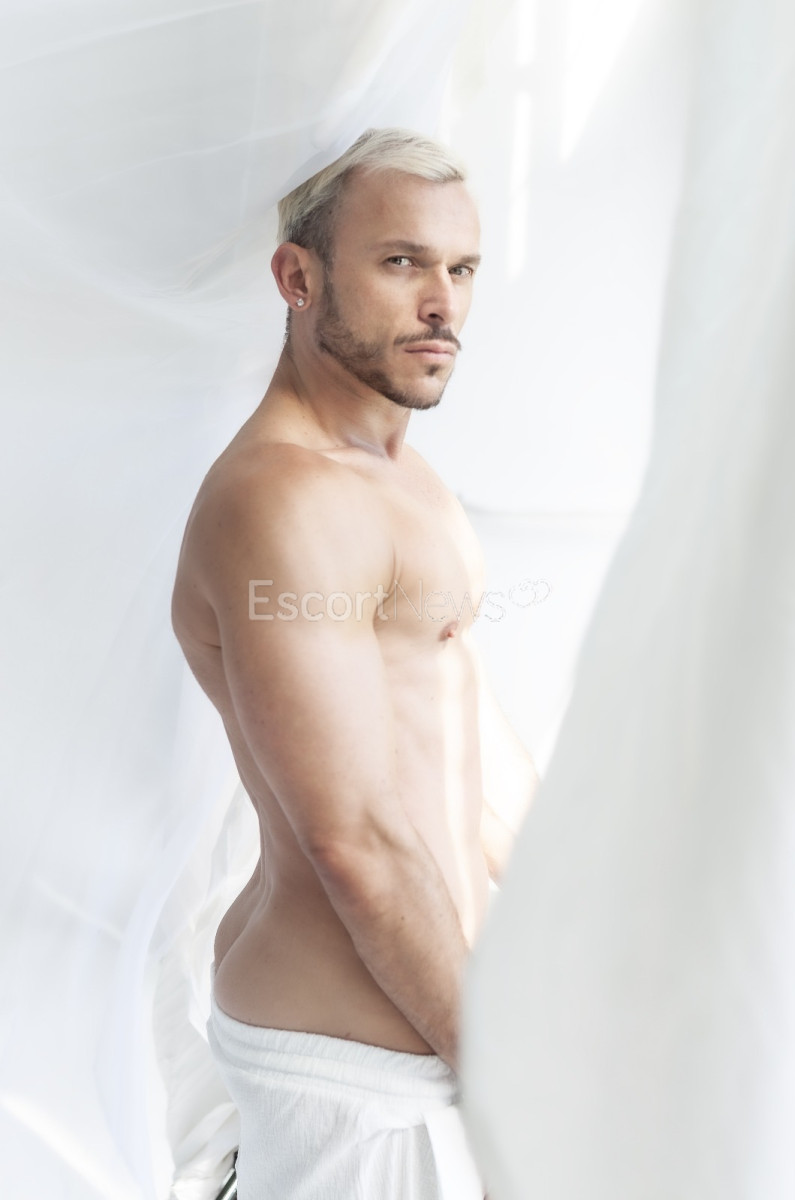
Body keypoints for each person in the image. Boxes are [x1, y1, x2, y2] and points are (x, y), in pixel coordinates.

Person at [171, 127, 537, 1200]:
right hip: (358, 1087)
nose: (441, 303)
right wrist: (510, 1086)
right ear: (298, 278)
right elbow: (354, 842)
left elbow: (468, 761)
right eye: (400, 262)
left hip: (441, 1041)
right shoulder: (283, 499)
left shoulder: (400, 477)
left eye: (460, 269)